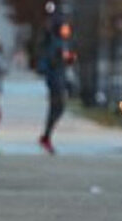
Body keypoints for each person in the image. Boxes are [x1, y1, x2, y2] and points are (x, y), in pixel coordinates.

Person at [38, 20, 76, 155]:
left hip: (60, 78)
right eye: (65, 28)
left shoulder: (64, 43)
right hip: (55, 79)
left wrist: (69, 58)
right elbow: (52, 60)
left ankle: (46, 136)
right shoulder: (55, 42)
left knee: (58, 108)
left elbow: (65, 61)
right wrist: (63, 57)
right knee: (57, 106)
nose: (67, 31)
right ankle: (46, 137)